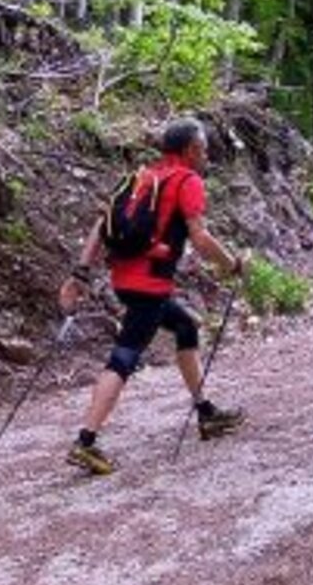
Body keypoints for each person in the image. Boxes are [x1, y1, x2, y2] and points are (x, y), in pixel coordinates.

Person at [58, 118, 249, 475]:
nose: (207, 155)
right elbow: (201, 238)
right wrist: (232, 265)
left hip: (125, 280)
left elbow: (101, 226)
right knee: (124, 358)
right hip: (150, 286)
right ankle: (85, 442)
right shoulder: (187, 181)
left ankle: (206, 413)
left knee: (185, 327)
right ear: (191, 150)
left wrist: (80, 273)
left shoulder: (143, 176)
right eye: (204, 148)